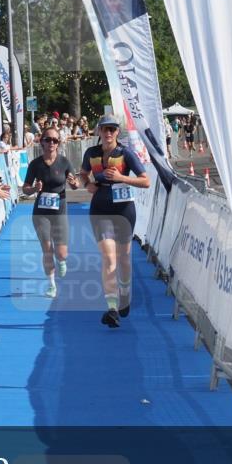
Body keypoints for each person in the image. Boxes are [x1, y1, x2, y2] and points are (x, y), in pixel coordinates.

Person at [79, 114, 151, 328]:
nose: (108, 133)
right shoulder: (91, 153)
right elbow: (84, 173)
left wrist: (122, 178)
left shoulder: (125, 153)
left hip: (123, 210)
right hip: (100, 209)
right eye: (105, 129)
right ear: (99, 131)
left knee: (124, 259)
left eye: (112, 129)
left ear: (117, 132)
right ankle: (112, 308)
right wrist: (87, 184)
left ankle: (125, 293)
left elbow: (145, 181)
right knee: (109, 259)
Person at [22, 126, 79, 297]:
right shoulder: (35, 164)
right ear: (42, 142)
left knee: (61, 253)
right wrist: (34, 189)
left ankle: (61, 261)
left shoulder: (64, 162)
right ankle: (51, 285)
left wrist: (73, 182)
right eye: (48, 140)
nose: (51, 143)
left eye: (55, 140)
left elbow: (75, 185)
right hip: (41, 213)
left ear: (59, 143)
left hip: (60, 210)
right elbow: (25, 189)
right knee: (47, 249)